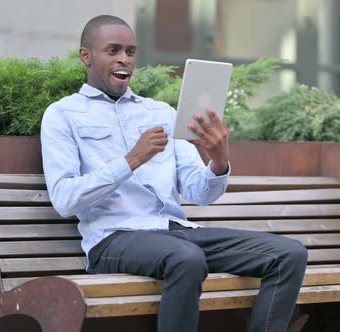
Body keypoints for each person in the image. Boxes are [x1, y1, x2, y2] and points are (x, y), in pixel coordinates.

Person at [40, 15, 307, 332]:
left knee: (289, 254)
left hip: (178, 232)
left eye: (130, 51)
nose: (124, 59)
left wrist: (218, 161)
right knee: (187, 258)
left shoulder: (161, 113)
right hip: (113, 238)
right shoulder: (62, 115)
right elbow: (65, 199)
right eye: (113, 50)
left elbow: (200, 193)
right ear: (86, 56)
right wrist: (132, 159)